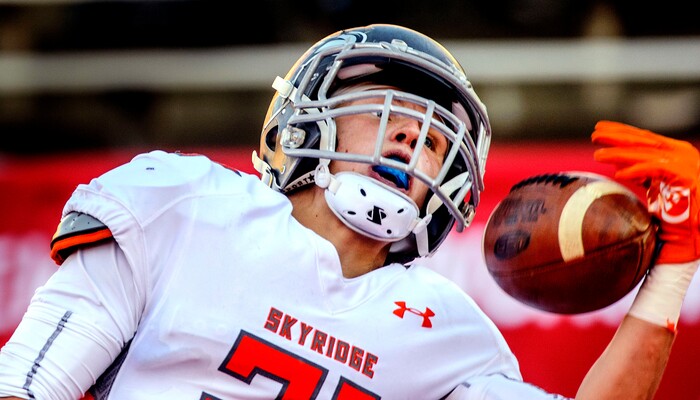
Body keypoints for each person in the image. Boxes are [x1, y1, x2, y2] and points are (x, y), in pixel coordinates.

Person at [0, 23, 697, 400]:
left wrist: (675, 265)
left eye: (434, 140)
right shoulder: (181, 206)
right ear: (307, 120)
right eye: (385, 113)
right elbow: (29, 386)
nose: (411, 142)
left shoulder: (451, 336)